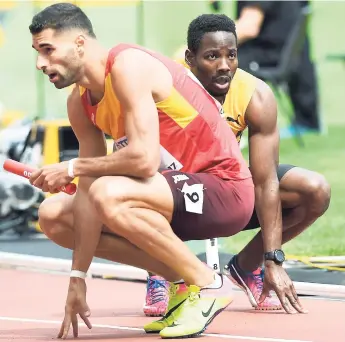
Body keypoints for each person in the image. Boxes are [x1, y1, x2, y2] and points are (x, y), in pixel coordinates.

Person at [28, 3, 256, 340]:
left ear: (79, 43)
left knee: (109, 192)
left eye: (48, 49)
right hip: (167, 197)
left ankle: (209, 284)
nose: (41, 63)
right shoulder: (79, 102)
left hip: (225, 190)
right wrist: (78, 277)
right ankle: (181, 287)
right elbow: (88, 191)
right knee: (55, 216)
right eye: (36, 52)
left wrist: (71, 167)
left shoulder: (127, 66)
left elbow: (144, 160)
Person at [144, 13, 330, 331]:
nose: (224, 66)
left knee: (314, 190)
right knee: (144, 186)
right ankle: (162, 269)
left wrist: (274, 256)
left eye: (231, 55)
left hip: (227, 192)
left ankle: (247, 266)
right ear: (190, 58)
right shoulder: (163, 87)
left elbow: (265, 179)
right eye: (212, 56)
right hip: (170, 192)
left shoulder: (254, 94)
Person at [234, 0, 321, 137]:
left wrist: (205, 42)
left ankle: (214, 131)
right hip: (289, 55)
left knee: (208, 61)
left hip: (264, 57)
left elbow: (249, 27)